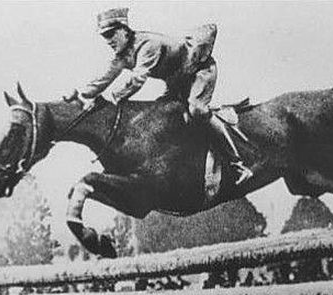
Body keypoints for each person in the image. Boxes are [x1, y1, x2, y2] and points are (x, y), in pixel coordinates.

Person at [66, 8, 253, 184]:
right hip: (176, 80)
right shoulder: (121, 55)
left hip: (199, 71)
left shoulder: (148, 45)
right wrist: (80, 94)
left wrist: (114, 98)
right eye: (104, 36)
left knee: (196, 109)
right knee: (161, 113)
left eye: (110, 34)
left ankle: (238, 163)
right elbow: (103, 79)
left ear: (124, 30)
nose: (107, 40)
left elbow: (137, 79)